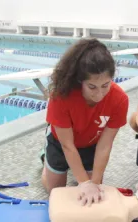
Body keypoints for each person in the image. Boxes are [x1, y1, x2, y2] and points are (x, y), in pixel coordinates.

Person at [41, 38, 129, 206]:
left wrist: (93, 183)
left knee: (94, 193)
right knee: (55, 193)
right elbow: (68, 146)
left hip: (91, 144)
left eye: (105, 85)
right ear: (80, 81)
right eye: (92, 87)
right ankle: (45, 165)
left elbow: (105, 144)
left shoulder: (119, 100)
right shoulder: (61, 96)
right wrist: (83, 182)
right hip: (61, 143)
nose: (99, 94)